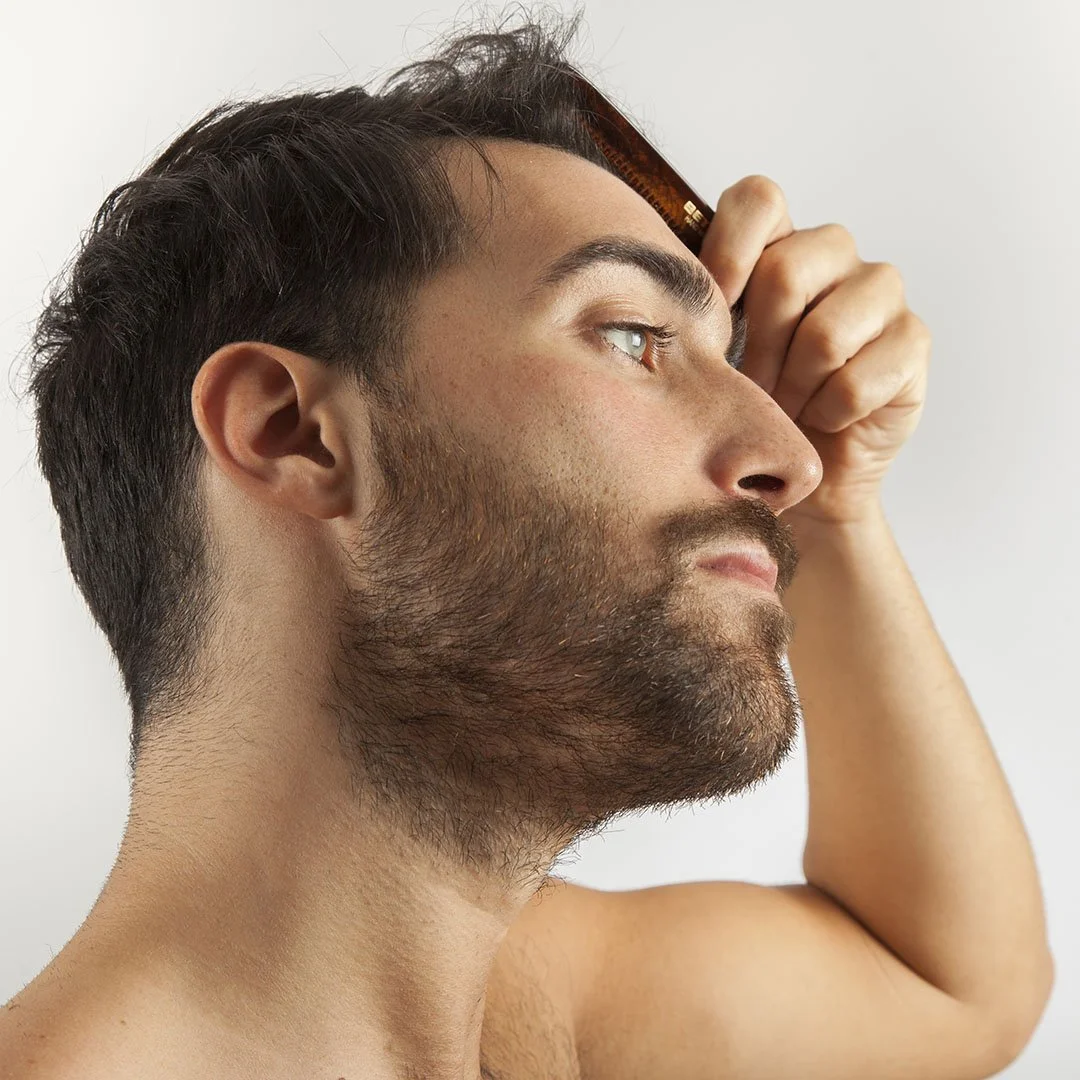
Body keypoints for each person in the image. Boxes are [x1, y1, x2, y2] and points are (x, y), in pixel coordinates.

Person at [1, 9, 1053, 1079]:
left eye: (731, 367)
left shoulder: (538, 1018)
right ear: (294, 434)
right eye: (633, 337)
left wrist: (843, 519)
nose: (791, 458)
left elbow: (951, 985)